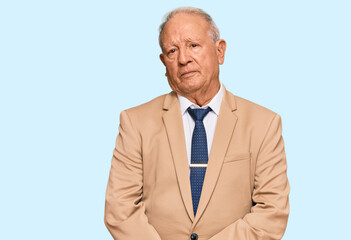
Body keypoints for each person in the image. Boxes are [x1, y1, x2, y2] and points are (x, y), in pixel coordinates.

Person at [104, 7, 289, 240]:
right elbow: (120, 210)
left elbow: (271, 214)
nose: (183, 59)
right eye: (172, 51)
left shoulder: (264, 124)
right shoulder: (135, 123)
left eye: (193, 45)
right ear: (164, 63)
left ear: (220, 51)